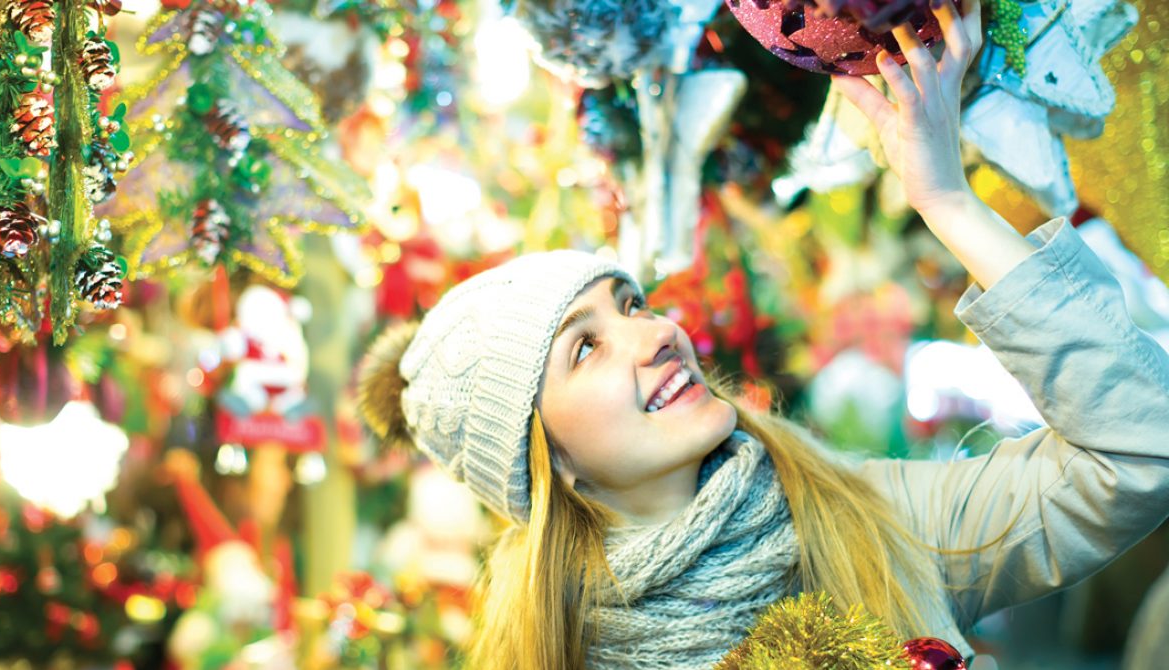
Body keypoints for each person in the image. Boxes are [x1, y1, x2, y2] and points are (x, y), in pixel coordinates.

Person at [358, 1, 1169, 667]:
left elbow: (1138, 451)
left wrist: (946, 200)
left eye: (631, 305)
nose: (655, 334)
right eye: (586, 346)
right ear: (550, 463)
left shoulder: (866, 524)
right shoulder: (570, 653)